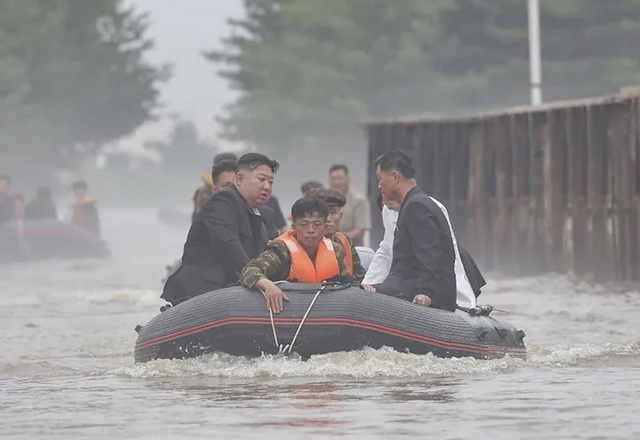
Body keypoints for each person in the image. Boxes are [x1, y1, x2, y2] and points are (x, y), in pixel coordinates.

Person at [162, 153, 279, 305]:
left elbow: (264, 252)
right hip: (199, 293)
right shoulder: (222, 203)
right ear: (239, 179)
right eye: (261, 179)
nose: (267, 187)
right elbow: (228, 245)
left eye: (271, 182)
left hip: (231, 291)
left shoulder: (255, 213)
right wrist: (258, 279)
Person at [367, 150, 456, 311]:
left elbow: (431, 255)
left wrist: (426, 291)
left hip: (419, 292)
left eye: (380, 179)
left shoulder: (416, 206)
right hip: (404, 285)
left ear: (395, 177)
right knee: (365, 290)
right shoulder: (414, 203)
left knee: (366, 297)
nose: (379, 186)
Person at [363, 192, 481, 309]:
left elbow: (446, 253)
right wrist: (368, 282)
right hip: (410, 274)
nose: (388, 201)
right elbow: (386, 249)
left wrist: (461, 299)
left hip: (445, 266)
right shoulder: (387, 210)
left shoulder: (428, 207)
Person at [241, 197, 356, 313]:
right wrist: (268, 286)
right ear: (294, 227)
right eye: (304, 224)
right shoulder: (281, 249)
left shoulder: (336, 250)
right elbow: (249, 271)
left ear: (324, 227)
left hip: (326, 311)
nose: (310, 230)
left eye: (317, 224)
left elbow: (349, 284)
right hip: (287, 312)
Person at [308, 187, 366, 280]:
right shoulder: (303, 243)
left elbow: (360, 276)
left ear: (340, 216)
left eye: (332, 212)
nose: (328, 219)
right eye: (322, 213)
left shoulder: (345, 241)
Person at [328, 164, 370, 246]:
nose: (336, 182)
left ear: (348, 179)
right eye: (333, 179)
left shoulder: (359, 200)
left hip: (352, 247)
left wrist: (338, 240)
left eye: (340, 178)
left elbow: (360, 230)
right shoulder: (324, 199)